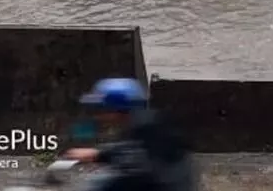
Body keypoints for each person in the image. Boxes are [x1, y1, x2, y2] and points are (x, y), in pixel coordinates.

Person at [65, 78, 195, 191]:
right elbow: (127, 149)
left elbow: (138, 167)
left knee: (102, 183)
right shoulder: (141, 123)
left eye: (102, 108)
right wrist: (98, 155)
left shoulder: (150, 130)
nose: (99, 115)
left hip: (163, 186)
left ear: (116, 108)